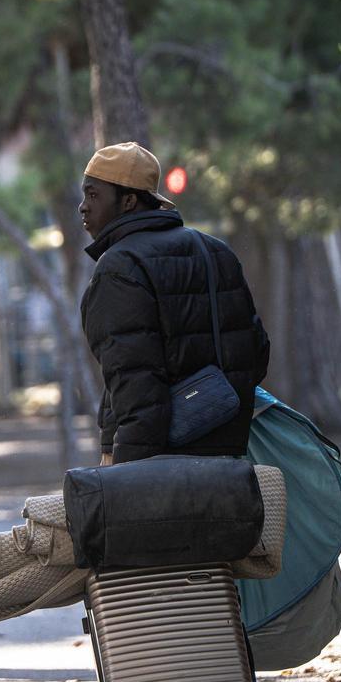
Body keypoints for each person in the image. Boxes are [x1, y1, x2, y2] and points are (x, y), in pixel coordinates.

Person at [78, 142, 269, 466]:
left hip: (164, 467)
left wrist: (125, 479)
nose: (83, 207)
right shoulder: (216, 251)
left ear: (128, 201)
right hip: (233, 458)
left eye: (94, 195)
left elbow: (135, 391)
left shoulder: (119, 268)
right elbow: (257, 353)